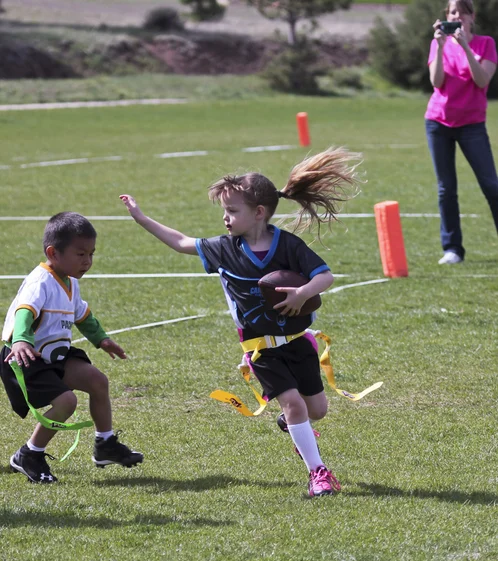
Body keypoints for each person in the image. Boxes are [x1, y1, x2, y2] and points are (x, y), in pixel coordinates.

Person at [120, 147, 361, 497]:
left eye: (232, 211)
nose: (226, 218)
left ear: (259, 212)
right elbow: (181, 242)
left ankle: (293, 426)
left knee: (316, 410)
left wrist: (301, 293)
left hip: (298, 341)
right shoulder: (223, 248)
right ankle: (318, 474)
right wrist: (141, 217)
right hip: (261, 349)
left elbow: (325, 276)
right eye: (224, 211)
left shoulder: (289, 246)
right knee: (294, 404)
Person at [0, 212, 143, 484]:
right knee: (67, 402)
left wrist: (101, 339)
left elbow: (83, 316)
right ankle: (29, 454)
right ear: (53, 252)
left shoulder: (70, 281)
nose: (87, 261)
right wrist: (20, 340)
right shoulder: (40, 281)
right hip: (25, 357)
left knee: (97, 381)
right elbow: (24, 313)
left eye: (91, 253)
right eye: (80, 254)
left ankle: (105, 445)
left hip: (55, 356)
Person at [425, 0, 498, 265]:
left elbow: (482, 80)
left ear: (471, 16)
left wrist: (465, 46)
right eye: (453, 13)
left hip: (472, 125)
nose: (458, 17)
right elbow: (436, 82)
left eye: (463, 13)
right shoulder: (438, 44)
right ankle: (452, 249)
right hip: (438, 122)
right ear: (447, 16)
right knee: (446, 189)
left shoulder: (485, 43)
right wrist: (442, 45)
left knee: (491, 185)